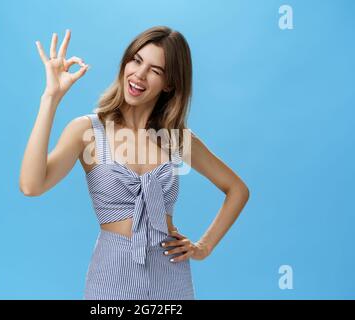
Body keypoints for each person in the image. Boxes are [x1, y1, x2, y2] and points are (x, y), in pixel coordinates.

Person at [19, 26, 250, 300]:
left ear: (170, 84)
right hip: (112, 275)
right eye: (136, 60)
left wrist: (203, 247)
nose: (139, 75)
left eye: (155, 70)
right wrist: (51, 98)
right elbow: (31, 186)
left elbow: (237, 189)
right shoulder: (88, 131)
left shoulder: (176, 138)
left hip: (171, 276)